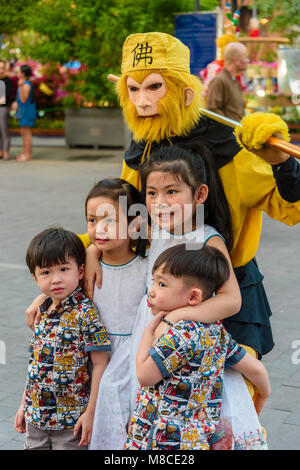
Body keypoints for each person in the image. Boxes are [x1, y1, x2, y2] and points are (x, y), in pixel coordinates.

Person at [103, 31, 300, 387]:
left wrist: (280, 163)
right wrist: (76, 261)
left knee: (230, 410)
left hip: (227, 292)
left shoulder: (229, 145)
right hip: (161, 297)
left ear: (185, 92)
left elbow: (290, 208)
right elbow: (124, 221)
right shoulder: (140, 149)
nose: (142, 102)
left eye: (153, 87)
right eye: (133, 90)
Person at [125, 243, 270, 450]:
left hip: (160, 442)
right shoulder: (217, 333)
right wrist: (263, 396)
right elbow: (256, 370)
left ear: (194, 297)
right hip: (196, 442)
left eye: (162, 284)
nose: (153, 291)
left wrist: (147, 335)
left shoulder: (177, 336)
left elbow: (144, 375)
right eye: (154, 281)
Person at [14, 227, 110, 450]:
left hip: (71, 422)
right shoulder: (43, 312)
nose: (56, 279)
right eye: (46, 272)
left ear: (81, 271)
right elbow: (36, 366)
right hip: (36, 418)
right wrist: (23, 406)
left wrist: (90, 413)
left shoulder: (86, 313)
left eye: (64, 269)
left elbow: (100, 363)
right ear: (34, 277)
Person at [84, 179, 149, 450]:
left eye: (109, 220)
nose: (99, 229)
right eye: (91, 220)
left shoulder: (148, 268)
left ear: (135, 223)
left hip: (131, 366)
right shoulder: (84, 266)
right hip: (90, 363)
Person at [205, 41, 249, 121]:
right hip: (228, 132)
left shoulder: (233, 79)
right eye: (245, 57)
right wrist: (229, 126)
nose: (247, 61)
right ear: (237, 60)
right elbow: (212, 110)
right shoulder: (219, 80)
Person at [15, 64, 37, 162]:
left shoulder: (26, 85)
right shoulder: (24, 84)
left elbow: (24, 99)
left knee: (26, 133)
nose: (17, 73)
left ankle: (28, 155)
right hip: (22, 110)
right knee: (23, 132)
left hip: (27, 110)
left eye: (19, 71)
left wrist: (20, 87)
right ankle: (25, 153)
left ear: (23, 74)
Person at [0, 60, 13, 160]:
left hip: (3, 109)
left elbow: (5, 97)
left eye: (1, 68)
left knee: (4, 130)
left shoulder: (7, 81)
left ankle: (5, 151)